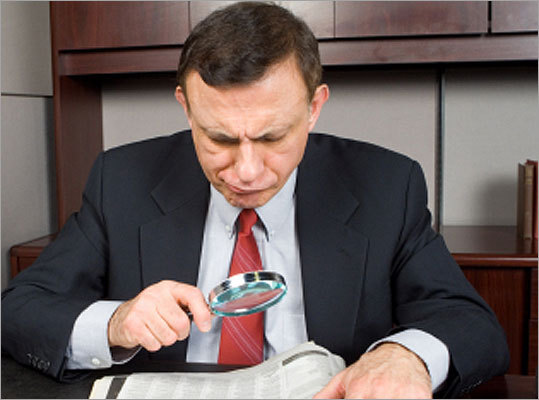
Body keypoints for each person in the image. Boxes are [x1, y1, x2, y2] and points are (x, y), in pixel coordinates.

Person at [2, 2, 508, 398]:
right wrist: (116, 322)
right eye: (219, 138)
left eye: (272, 137)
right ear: (187, 108)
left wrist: (405, 356)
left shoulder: (386, 185)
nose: (246, 171)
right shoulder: (122, 180)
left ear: (314, 107)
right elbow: (19, 309)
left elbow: (471, 324)